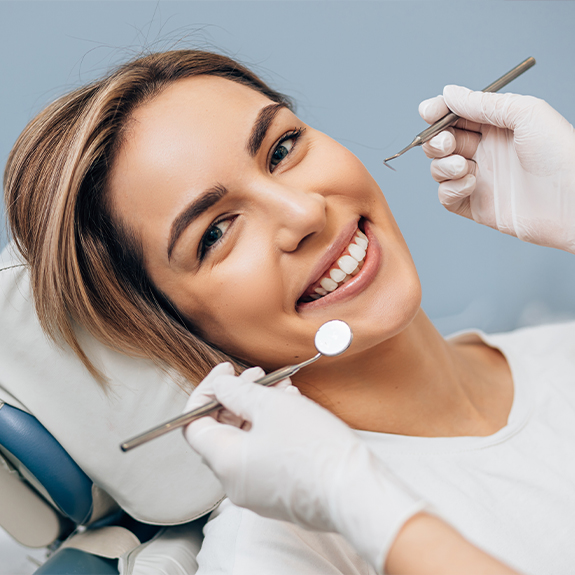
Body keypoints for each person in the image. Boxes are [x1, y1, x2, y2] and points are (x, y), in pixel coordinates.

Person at [4, 50, 575, 574]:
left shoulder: (560, 351)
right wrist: (356, 499)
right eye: (217, 232)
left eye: (280, 149)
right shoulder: (275, 550)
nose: (302, 211)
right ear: (168, 325)